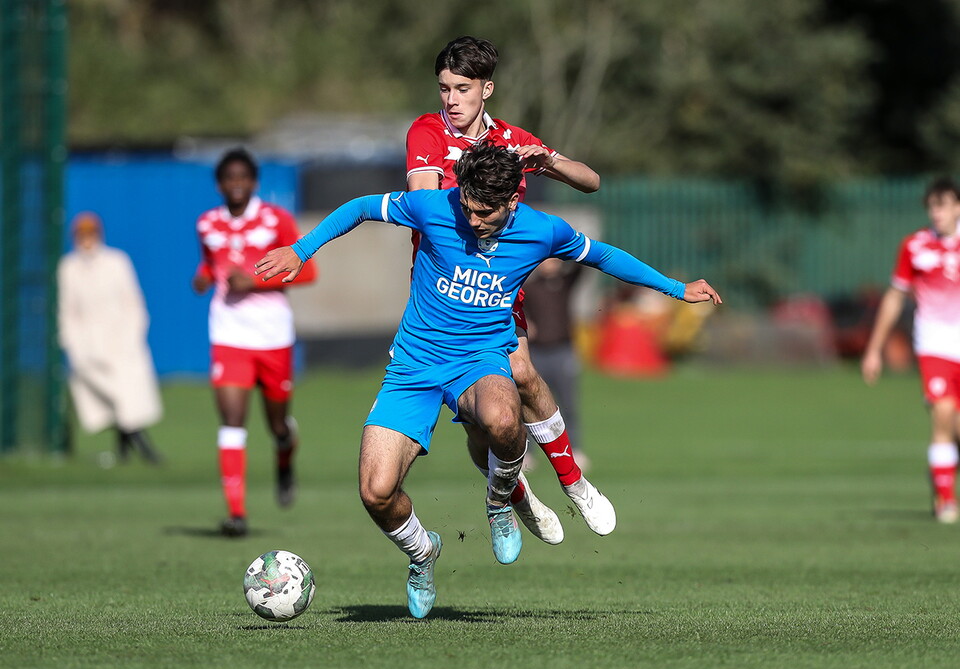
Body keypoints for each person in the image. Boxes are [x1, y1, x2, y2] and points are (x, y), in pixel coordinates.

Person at [254, 143, 722, 618]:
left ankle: (499, 504)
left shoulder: (541, 231)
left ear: (511, 202)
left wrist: (677, 289)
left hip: (480, 359)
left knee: (504, 419)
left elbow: (602, 256)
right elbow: (359, 209)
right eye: (468, 208)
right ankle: (422, 554)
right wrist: (299, 249)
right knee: (375, 492)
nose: (472, 220)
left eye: (485, 213)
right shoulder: (435, 205)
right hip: (413, 367)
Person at [406, 35, 612, 540]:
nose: (450, 100)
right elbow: (426, 208)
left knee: (523, 374)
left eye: (461, 88)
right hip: (442, 292)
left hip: (497, 286)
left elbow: (591, 181)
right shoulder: (428, 133)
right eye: (444, 88)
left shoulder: (511, 141)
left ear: (487, 89)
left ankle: (574, 483)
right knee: (483, 421)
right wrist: (477, 178)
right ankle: (515, 494)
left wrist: (545, 162)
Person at [192, 148, 317, 537]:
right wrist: (204, 277)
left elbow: (308, 270)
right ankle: (237, 513)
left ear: (254, 182)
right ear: (219, 184)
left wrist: (257, 280)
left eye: (243, 178)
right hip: (228, 332)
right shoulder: (207, 223)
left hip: (272, 333)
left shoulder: (275, 219)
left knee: (277, 424)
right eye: (229, 179)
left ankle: (284, 455)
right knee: (232, 421)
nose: (236, 185)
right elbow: (211, 263)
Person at [862, 177, 960, 524]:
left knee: (957, 428)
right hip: (934, 345)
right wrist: (874, 349)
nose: (937, 213)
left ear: (957, 207)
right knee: (943, 415)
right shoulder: (915, 246)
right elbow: (895, 296)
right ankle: (946, 500)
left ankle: (941, 470)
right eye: (932, 206)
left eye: (944, 205)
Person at [57, 212, 163, 464]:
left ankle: (132, 450)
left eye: (90, 233)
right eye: (81, 234)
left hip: (122, 340)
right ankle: (140, 448)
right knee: (112, 398)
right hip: (88, 345)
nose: (86, 239)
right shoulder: (69, 267)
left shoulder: (117, 261)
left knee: (127, 397)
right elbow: (67, 310)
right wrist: (72, 342)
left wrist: (133, 333)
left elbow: (132, 301)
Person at [522, 258, 588, 469]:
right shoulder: (530, 287)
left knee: (568, 404)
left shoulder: (565, 283)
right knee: (530, 403)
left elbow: (582, 267)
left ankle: (574, 450)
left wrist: (566, 249)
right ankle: (527, 453)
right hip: (537, 352)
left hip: (563, 351)